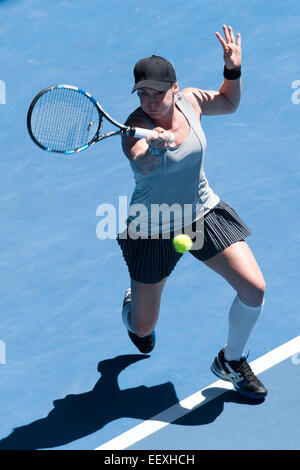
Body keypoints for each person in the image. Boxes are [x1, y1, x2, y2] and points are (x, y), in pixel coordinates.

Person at [117, 25, 267, 400]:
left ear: (174, 88)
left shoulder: (191, 101)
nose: (150, 101)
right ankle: (132, 305)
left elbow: (228, 103)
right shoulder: (134, 127)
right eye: (143, 94)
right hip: (151, 228)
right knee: (143, 327)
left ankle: (231, 361)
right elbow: (141, 165)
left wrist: (232, 71)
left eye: (157, 93)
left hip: (201, 211)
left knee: (254, 289)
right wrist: (153, 148)